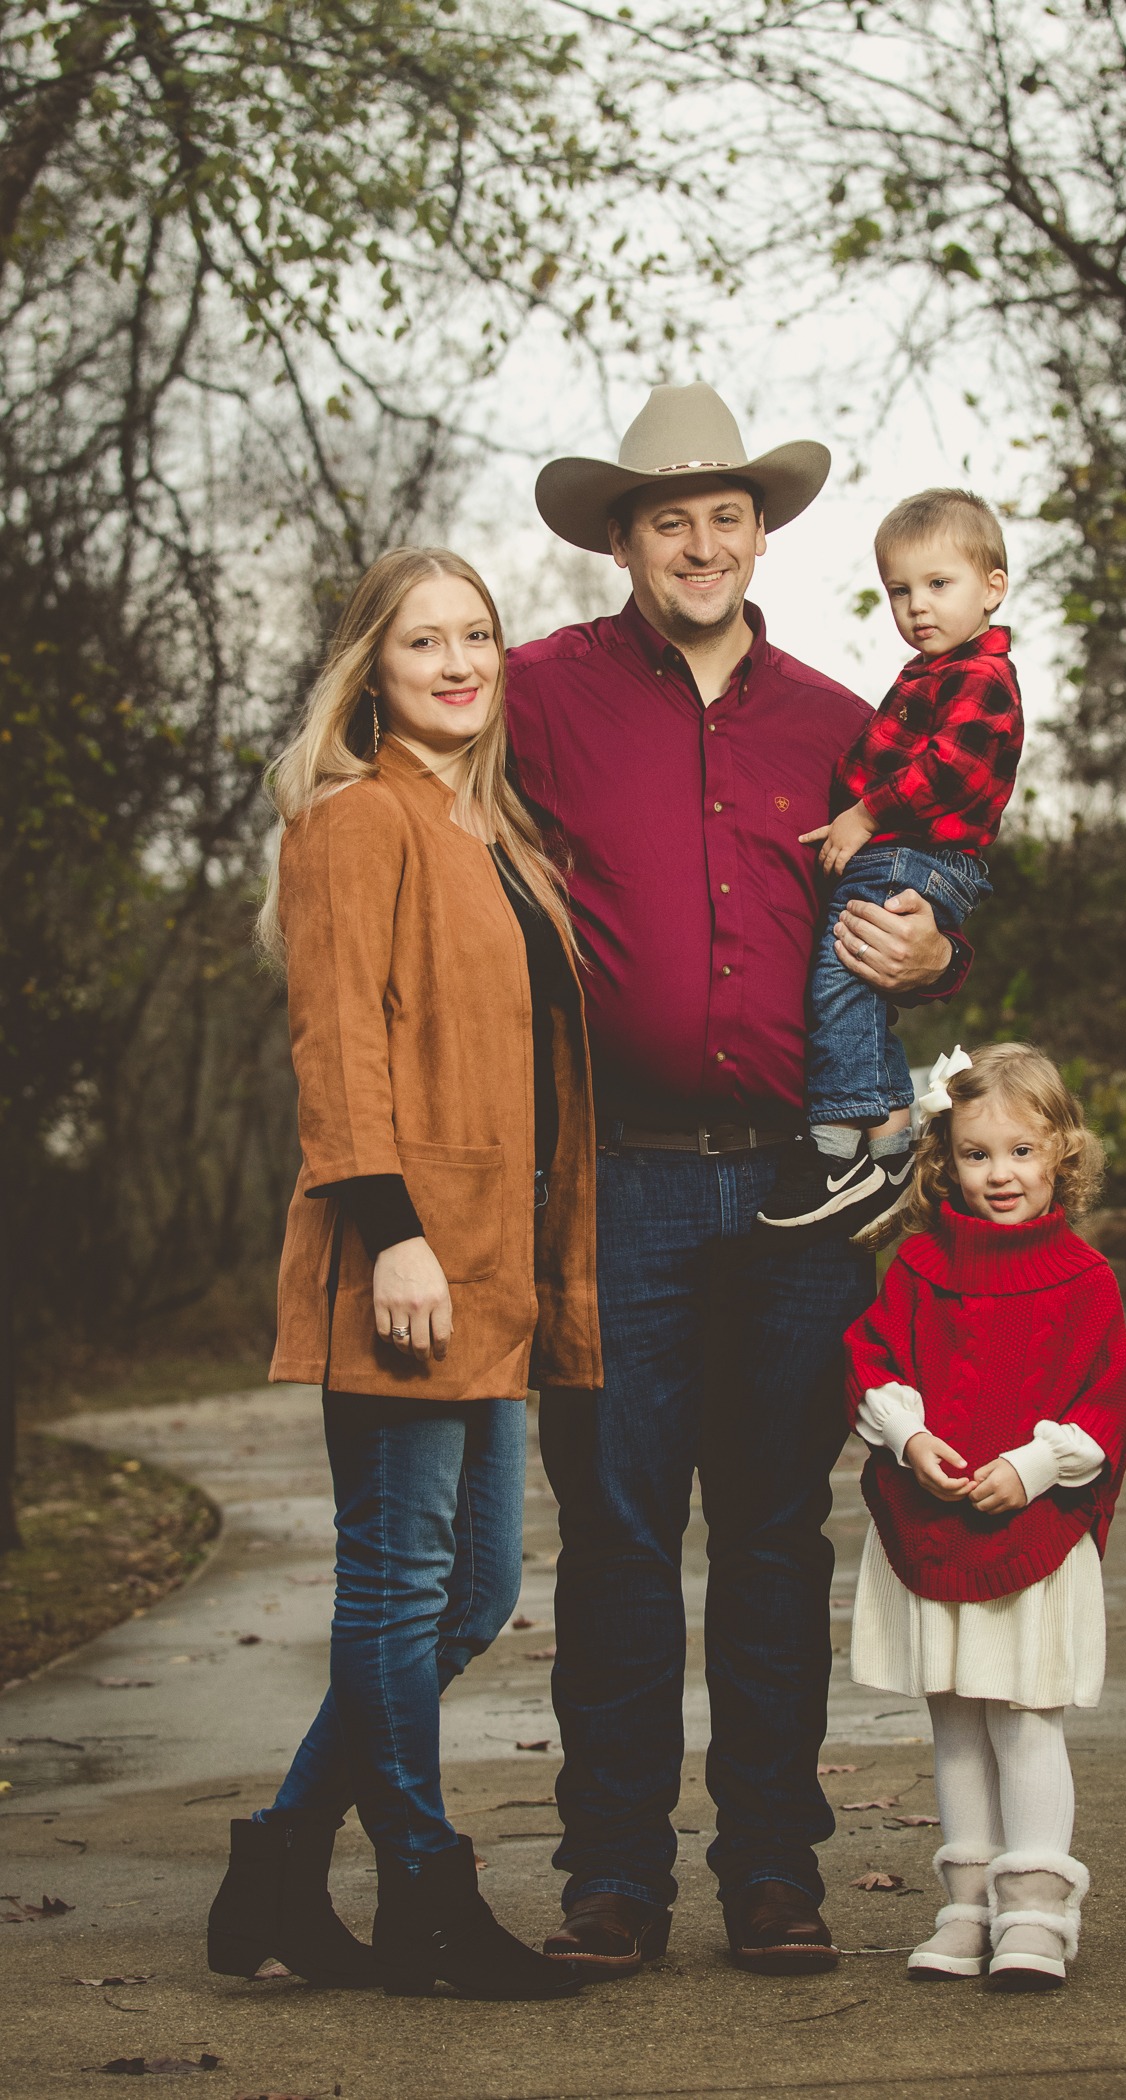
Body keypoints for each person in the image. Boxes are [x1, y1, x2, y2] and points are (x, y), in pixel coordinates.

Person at [507, 382, 971, 1978]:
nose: (700, 544)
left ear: (760, 532)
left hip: (801, 1195)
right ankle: (613, 1878)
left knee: (775, 1533)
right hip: (614, 1188)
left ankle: (774, 1868)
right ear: (623, 539)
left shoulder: (849, 718)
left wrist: (939, 945)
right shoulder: (534, 696)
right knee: (621, 1538)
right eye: (667, 519)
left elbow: (934, 877)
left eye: (726, 515)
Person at [206, 547, 602, 2001]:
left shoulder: (493, 833)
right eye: (423, 640)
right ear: (370, 666)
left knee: (476, 1588)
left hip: (496, 1266)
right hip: (408, 1266)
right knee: (399, 1583)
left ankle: (282, 1857)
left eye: (478, 637)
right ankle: (426, 1892)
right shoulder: (352, 823)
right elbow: (339, 1049)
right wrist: (394, 1235)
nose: (457, 662)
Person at [844, 1042, 1126, 1990]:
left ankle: (1038, 1912)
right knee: (957, 1719)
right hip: (936, 1521)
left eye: (1019, 1151)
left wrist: (1035, 1464)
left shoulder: (1084, 1279)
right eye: (975, 1154)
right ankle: (967, 1901)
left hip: (1032, 1535)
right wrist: (909, 1438)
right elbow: (875, 1361)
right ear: (944, 1161)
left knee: (1024, 1718)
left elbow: (1104, 1405)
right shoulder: (922, 1266)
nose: (999, 1174)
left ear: (1062, 1154)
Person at [757, 489, 1023, 1243]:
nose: (917, 606)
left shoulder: (980, 678)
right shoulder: (926, 673)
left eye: (939, 585)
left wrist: (864, 814)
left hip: (923, 855)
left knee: (846, 976)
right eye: (900, 591)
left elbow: (948, 771)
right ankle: (876, 1146)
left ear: (991, 588)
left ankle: (854, 1148)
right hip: (904, 851)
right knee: (848, 979)